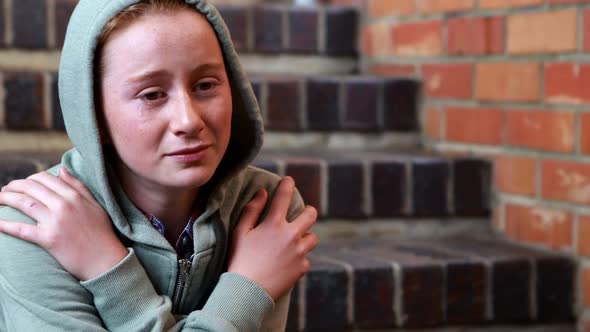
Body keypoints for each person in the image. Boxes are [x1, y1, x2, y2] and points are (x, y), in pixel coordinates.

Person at [0, 0, 319, 330]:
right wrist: (247, 291)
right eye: (151, 94)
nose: (188, 120)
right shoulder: (37, 223)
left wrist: (104, 266)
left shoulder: (264, 212)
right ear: (93, 114)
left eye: (206, 85)